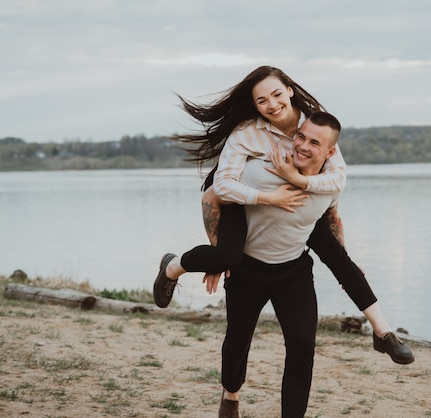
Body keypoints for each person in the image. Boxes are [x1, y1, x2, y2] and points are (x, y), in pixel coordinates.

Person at [152, 66, 413, 415]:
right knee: (236, 341)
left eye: (276, 94)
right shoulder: (248, 139)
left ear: (289, 90)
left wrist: (299, 181)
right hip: (247, 229)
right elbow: (215, 194)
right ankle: (229, 391)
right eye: (262, 100)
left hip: (293, 257)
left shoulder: (316, 133)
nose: (272, 104)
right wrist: (221, 251)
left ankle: (383, 333)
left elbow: (334, 197)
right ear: (255, 106)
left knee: (307, 338)